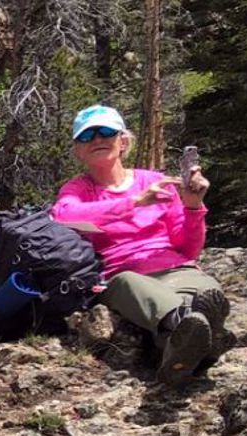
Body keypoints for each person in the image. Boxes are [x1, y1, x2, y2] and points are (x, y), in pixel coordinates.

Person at [51, 105, 226, 386]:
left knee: (208, 290)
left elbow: (188, 248)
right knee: (136, 287)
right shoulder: (78, 190)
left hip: (174, 268)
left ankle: (179, 350)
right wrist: (133, 203)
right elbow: (64, 215)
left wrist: (193, 207)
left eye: (106, 131)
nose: (97, 139)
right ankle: (200, 337)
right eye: (87, 136)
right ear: (78, 151)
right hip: (121, 274)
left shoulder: (156, 182)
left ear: (123, 142)